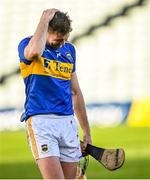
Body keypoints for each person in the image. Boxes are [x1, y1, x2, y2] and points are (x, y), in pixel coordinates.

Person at [18, 8, 92, 179]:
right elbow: (33, 52)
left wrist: (86, 131)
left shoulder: (69, 51)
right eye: (59, 40)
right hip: (41, 122)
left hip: (67, 123)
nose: (62, 44)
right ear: (47, 31)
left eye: (65, 40)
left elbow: (75, 92)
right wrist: (44, 20)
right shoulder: (27, 45)